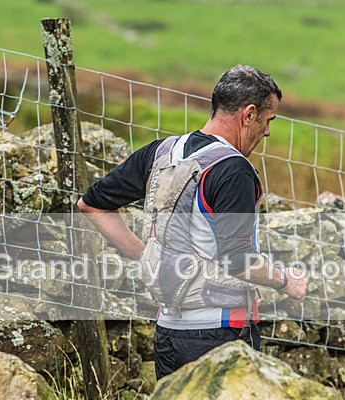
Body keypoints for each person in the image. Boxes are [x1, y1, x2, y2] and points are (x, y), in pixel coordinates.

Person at [77, 65, 308, 379]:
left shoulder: (159, 153)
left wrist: (145, 255)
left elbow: (92, 204)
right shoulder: (233, 170)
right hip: (221, 334)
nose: (267, 132)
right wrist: (285, 281)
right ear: (249, 114)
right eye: (268, 120)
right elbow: (238, 260)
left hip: (168, 332)